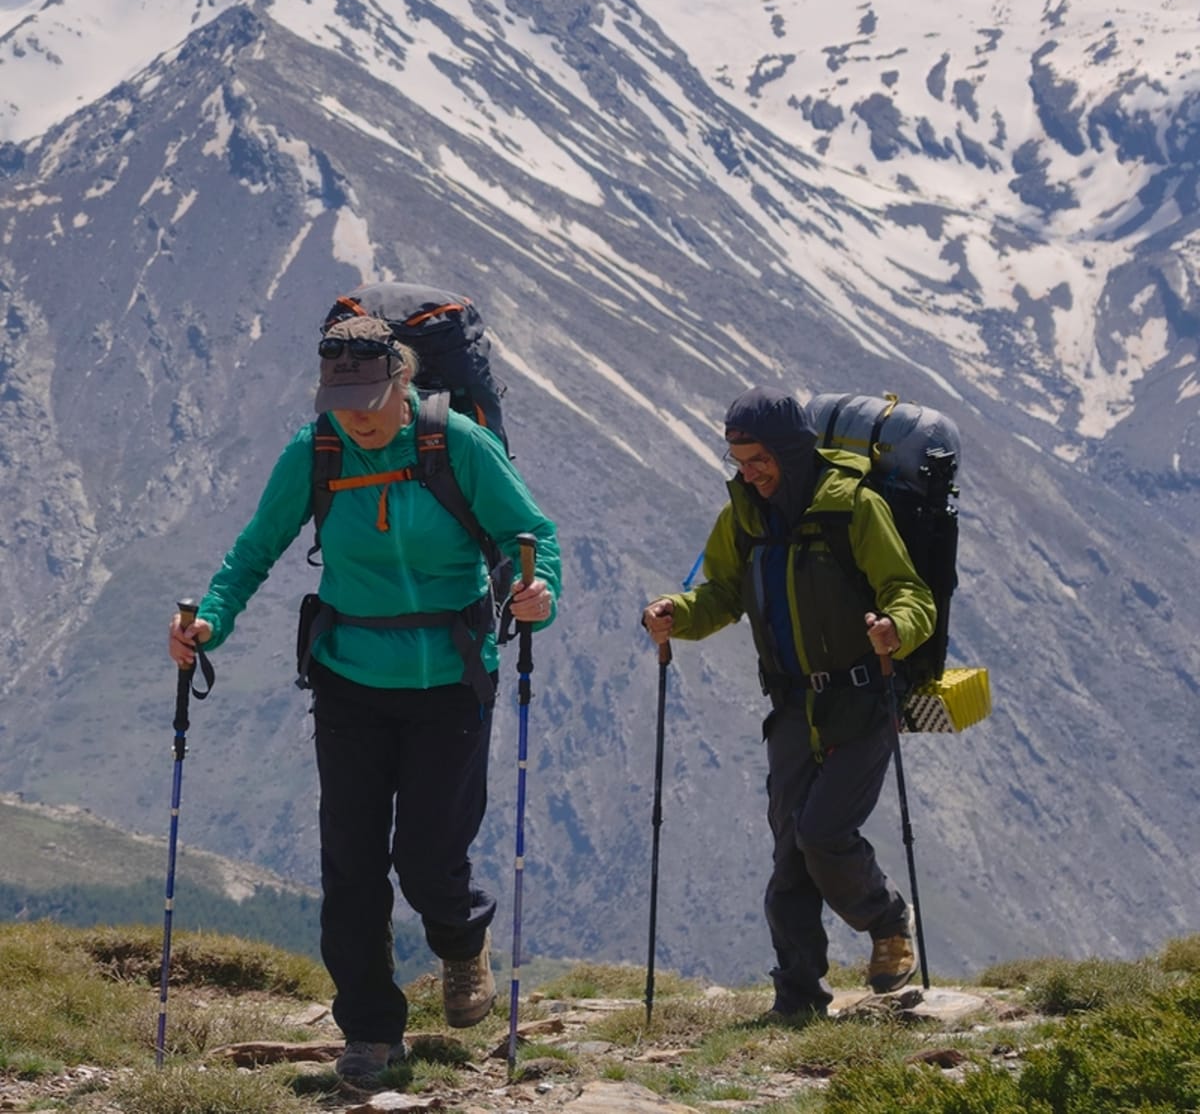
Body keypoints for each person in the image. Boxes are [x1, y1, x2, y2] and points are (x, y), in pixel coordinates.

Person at [169, 314, 561, 1085]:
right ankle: (372, 1033)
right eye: (340, 399)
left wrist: (534, 591)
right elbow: (254, 550)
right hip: (348, 677)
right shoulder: (314, 451)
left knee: (428, 860)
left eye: (368, 399)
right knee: (350, 864)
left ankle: (460, 941)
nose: (354, 415)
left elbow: (530, 533)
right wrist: (208, 620)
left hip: (450, 678)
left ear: (402, 380)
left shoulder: (457, 445)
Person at [642, 386, 934, 1022]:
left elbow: (910, 592)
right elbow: (721, 595)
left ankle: (887, 921)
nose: (749, 473)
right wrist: (677, 613)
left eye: (759, 460)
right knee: (789, 856)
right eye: (740, 461)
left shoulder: (854, 508)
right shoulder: (743, 518)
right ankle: (797, 997)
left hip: (864, 698)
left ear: (791, 450)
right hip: (792, 705)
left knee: (823, 834)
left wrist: (896, 628)